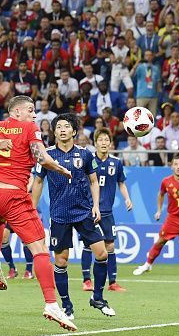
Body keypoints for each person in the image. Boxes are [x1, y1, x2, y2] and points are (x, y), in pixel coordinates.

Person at [0, 95, 75, 330]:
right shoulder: (29, 127)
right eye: (30, 110)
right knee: (40, 248)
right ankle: (51, 304)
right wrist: (60, 168)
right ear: (16, 112)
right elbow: (42, 157)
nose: (34, 115)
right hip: (13, 194)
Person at [32, 113, 116, 320]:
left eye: (66, 126)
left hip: (83, 212)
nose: (62, 129)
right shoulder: (47, 155)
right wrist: (32, 209)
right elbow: (38, 182)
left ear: (74, 131)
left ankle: (97, 297)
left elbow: (94, 181)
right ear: (54, 132)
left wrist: (96, 205)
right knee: (61, 261)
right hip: (59, 215)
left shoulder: (85, 154)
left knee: (102, 254)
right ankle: (67, 305)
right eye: (58, 126)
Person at [81, 128, 132, 292]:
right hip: (90, 210)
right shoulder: (89, 160)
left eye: (106, 140)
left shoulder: (116, 162)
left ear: (111, 143)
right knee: (90, 245)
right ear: (95, 143)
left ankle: (112, 282)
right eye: (100, 140)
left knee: (110, 246)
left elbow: (121, 183)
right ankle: (87, 281)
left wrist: (127, 198)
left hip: (107, 212)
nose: (104, 143)